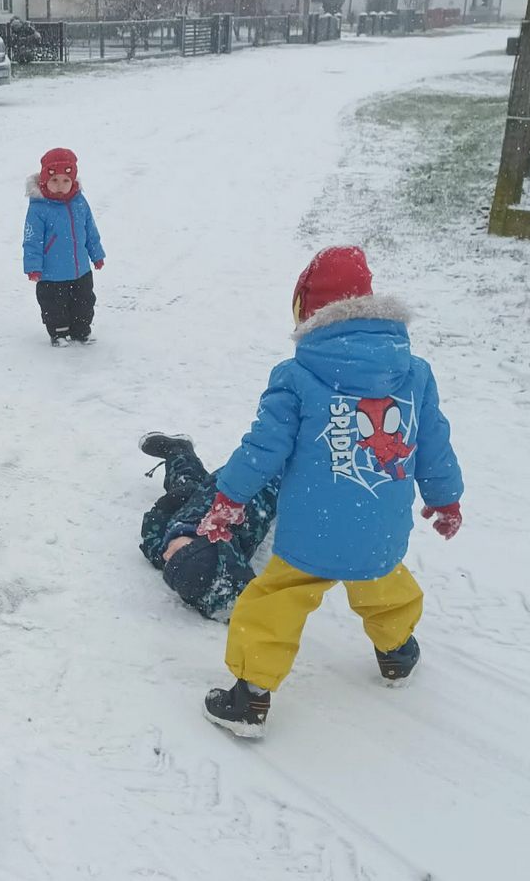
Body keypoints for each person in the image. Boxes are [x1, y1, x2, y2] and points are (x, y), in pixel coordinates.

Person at [198, 246, 464, 737]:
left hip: (312, 531)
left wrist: (228, 497)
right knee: (382, 582)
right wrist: (445, 498)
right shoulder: (414, 372)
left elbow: (264, 448)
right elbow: (433, 440)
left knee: (275, 599)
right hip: (380, 527)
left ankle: (251, 697)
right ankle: (397, 652)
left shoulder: (297, 375)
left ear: (307, 312)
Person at [138, 433, 277, 620]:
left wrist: (163, 510)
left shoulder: (176, 556)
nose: (165, 555)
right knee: (189, 483)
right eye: (175, 552)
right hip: (244, 482)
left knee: (185, 481)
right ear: (202, 541)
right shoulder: (232, 524)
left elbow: (152, 540)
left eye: (169, 561)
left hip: (191, 502)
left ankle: (178, 450)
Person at [22, 147, 106, 346]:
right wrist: (33, 267)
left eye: (65, 181)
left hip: (81, 270)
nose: (60, 186)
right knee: (54, 305)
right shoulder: (38, 208)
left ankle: (81, 329)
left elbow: (90, 229)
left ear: (73, 181)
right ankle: (59, 333)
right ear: (44, 180)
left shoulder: (79, 202)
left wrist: (97, 254)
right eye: (54, 181)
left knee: (84, 302)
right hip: (52, 273)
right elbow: (32, 240)